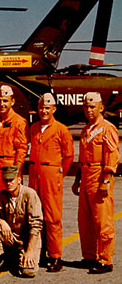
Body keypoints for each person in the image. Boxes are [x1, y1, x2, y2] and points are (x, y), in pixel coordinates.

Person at [72, 92, 120, 274]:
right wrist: (78, 179)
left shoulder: (107, 128)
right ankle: (90, 255)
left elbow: (113, 154)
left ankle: (105, 260)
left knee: (103, 221)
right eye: (86, 106)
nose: (89, 110)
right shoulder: (86, 129)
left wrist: (106, 179)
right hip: (85, 175)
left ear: (101, 108)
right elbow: (83, 156)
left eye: (92, 107)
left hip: (100, 175)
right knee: (85, 221)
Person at [28, 93, 74, 272]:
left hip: (51, 173)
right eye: (41, 108)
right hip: (34, 174)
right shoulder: (34, 128)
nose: (44, 111)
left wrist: (58, 173)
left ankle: (55, 256)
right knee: (35, 214)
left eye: (47, 108)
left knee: (52, 217)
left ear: (54, 109)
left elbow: (69, 155)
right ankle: (39, 251)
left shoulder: (61, 129)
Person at [0, 166, 43, 278]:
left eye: (11, 180)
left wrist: (29, 251)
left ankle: (19, 257)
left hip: (27, 238)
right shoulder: (2, 195)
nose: (8, 183)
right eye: (6, 180)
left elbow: (36, 225)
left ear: (19, 179)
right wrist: (1, 222)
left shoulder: (29, 194)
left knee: (28, 271)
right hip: (11, 236)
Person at [0, 85, 28, 199]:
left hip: (9, 168)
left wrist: (16, 172)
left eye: (5, 101)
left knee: (10, 202)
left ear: (12, 101)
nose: (2, 104)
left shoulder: (19, 122)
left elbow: (21, 150)